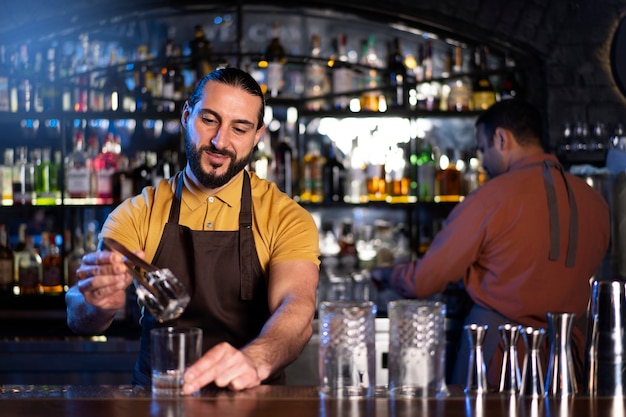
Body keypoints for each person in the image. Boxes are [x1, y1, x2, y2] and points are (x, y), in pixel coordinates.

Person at [65, 67, 321, 393]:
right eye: (209, 120)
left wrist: (254, 361)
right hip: (159, 402)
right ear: (187, 115)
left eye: (239, 129)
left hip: (253, 404)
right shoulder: (136, 214)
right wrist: (97, 303)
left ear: (257, 136)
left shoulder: (285, 216)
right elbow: (79, 315)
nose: (220, 141)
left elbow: (297, 306)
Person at [384, 99, 610, 387]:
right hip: (568, 361)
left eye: (482, 148)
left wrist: (388, 274)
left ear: (502, 138)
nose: (482, 160)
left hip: (498, 357)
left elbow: (423, 281)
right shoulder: (595, 202)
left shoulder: (490, 198)